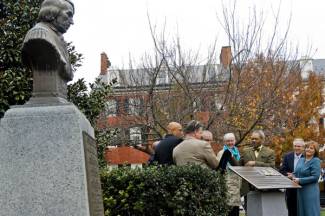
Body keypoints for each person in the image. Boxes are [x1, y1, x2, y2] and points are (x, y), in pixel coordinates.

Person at [22, 0, 75, 85]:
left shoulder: (59, 39)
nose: (72, 22)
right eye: (68, 15)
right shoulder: (39, 34)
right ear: (52, 12)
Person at [240, 130, 275, 210]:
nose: (253, 141)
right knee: (249, 211)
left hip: (263, 186)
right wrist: (230, 156)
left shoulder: (270, 152)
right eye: (252, 139)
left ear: (262, 140)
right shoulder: (245, 151)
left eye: (256, 139)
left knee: (263, 210)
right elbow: (238, 165)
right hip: (248, 188)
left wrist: (255, 163)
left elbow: (272, 167)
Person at [291, 141, 321, 216]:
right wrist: (292, 176)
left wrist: (300, 180)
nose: (308, 149)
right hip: (300, 190)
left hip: (310, 191)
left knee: (310, 211)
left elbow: (315, 177)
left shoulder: (316, 161)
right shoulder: (301, 159)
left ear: (315, 151)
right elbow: (296, 172)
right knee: (301, 211)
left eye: (311, 148)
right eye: (307, 147)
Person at [217, 133, 241, 216]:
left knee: (235, 207)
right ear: (224, 142)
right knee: (229, 208)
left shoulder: (237, 152)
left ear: (235, 140)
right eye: (228, 141)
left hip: (237, 184)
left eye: (232, 140)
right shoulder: (222, 153)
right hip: (227, 183)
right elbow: (219, 169)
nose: (230, 142)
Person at [279, 138, 305, 216]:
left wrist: (296, 175)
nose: (297, 148)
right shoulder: (287, 156)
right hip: (291, 188)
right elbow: (282, 170)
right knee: (291, 210)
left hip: (303, 187)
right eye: (295, 146)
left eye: (299, 146)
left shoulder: (307, 156)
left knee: (303, 210)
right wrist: (288, 175)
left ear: (303, 147)